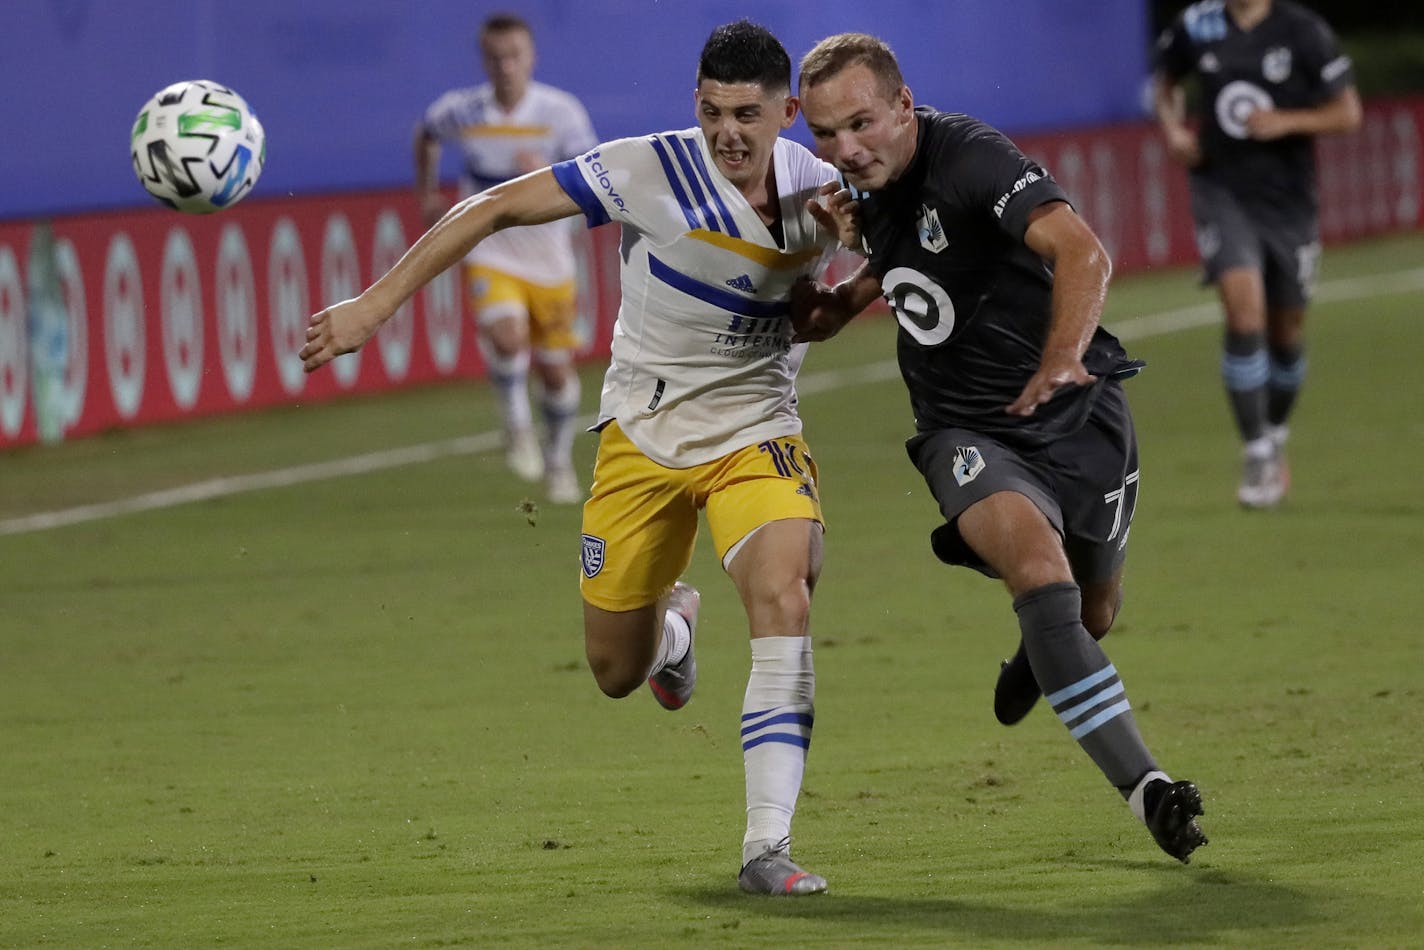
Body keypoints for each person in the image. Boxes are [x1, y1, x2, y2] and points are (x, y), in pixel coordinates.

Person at [304, 20, 840, 896]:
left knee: (784, 593)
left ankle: (765, 847)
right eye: (711, 111)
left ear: (787, 111)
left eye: (747, 113)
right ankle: (672, 631)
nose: (727, 133)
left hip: (756, 431)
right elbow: (492, 207)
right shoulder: (647, 168)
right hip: (642, 432)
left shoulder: (827, 191)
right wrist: (374, 303)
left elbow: (900, 261)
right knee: (614, 672)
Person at [793, 32, 1209, 864]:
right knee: (1039, 572)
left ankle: (1042, 648)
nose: (845, 149)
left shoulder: (974, 157)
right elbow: (912, 253)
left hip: (1075, 413)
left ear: (904, 107)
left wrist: (1062, 357)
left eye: (860, 124)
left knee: (1093, 614)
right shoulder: (862, 187)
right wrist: (846, 300)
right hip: (965, 430)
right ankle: (1148, 789)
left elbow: (1082, 250)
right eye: (825, 135)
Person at [1152, 0, 1361, 508]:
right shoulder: (1197, 24)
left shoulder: (1303, 30)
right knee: (1243, 312)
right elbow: (1165, 81)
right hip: (1221, 190)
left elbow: (1347, 113)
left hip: (1288, 201)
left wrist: (1286, 121)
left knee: (1285, 331)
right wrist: (1174, 130)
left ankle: (1275, 430)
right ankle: (1258, 448)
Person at [415, 13, 599, 504]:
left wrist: (549, 172)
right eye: (495, 58)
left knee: (556, 370)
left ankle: (558, 460)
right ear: (484, 61)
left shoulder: (560, 112)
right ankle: (517, 427)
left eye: (514, 56)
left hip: (550, 257)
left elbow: (595, 174)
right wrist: (428, 194)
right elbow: (427, 134)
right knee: (507, 335)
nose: (505, 67)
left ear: (531, 58)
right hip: (490, 248)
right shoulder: (466, 110)